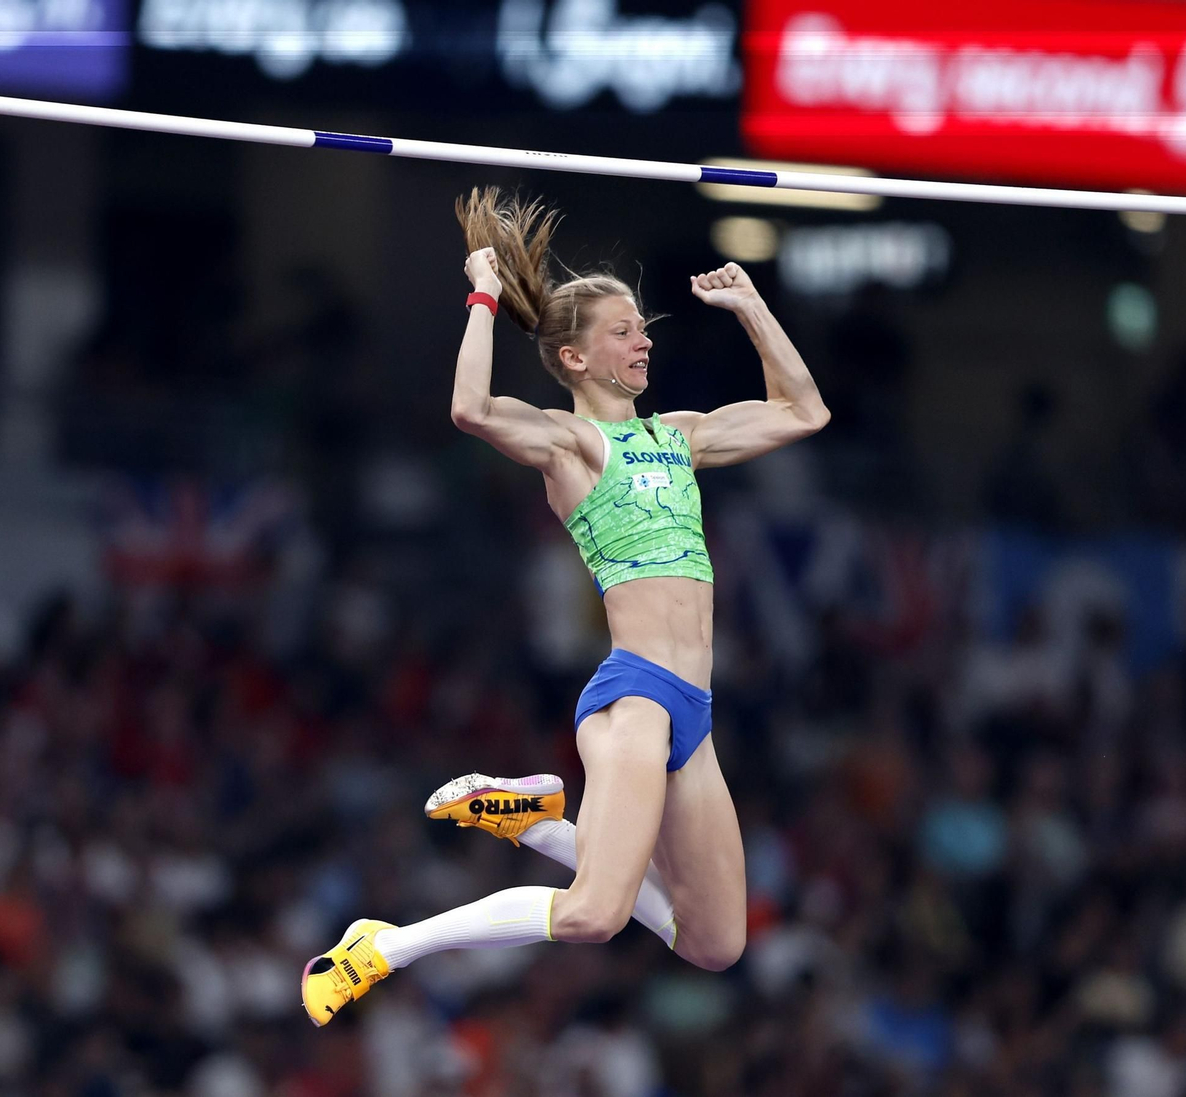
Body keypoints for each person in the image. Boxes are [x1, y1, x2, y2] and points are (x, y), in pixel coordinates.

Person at [301, 188, 831, 1025]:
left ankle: (541, 825)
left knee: (716, 942)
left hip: (693, 707)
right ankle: (385, 945)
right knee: (592, 913)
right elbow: (470, 409)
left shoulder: (680, 435)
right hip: (636, 695)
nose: (643, 340)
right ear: (576, 358)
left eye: (643, 328)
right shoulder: (572, 443)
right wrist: (483, 295)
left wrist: (751, 307)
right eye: (623, 330)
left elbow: (805, 411)